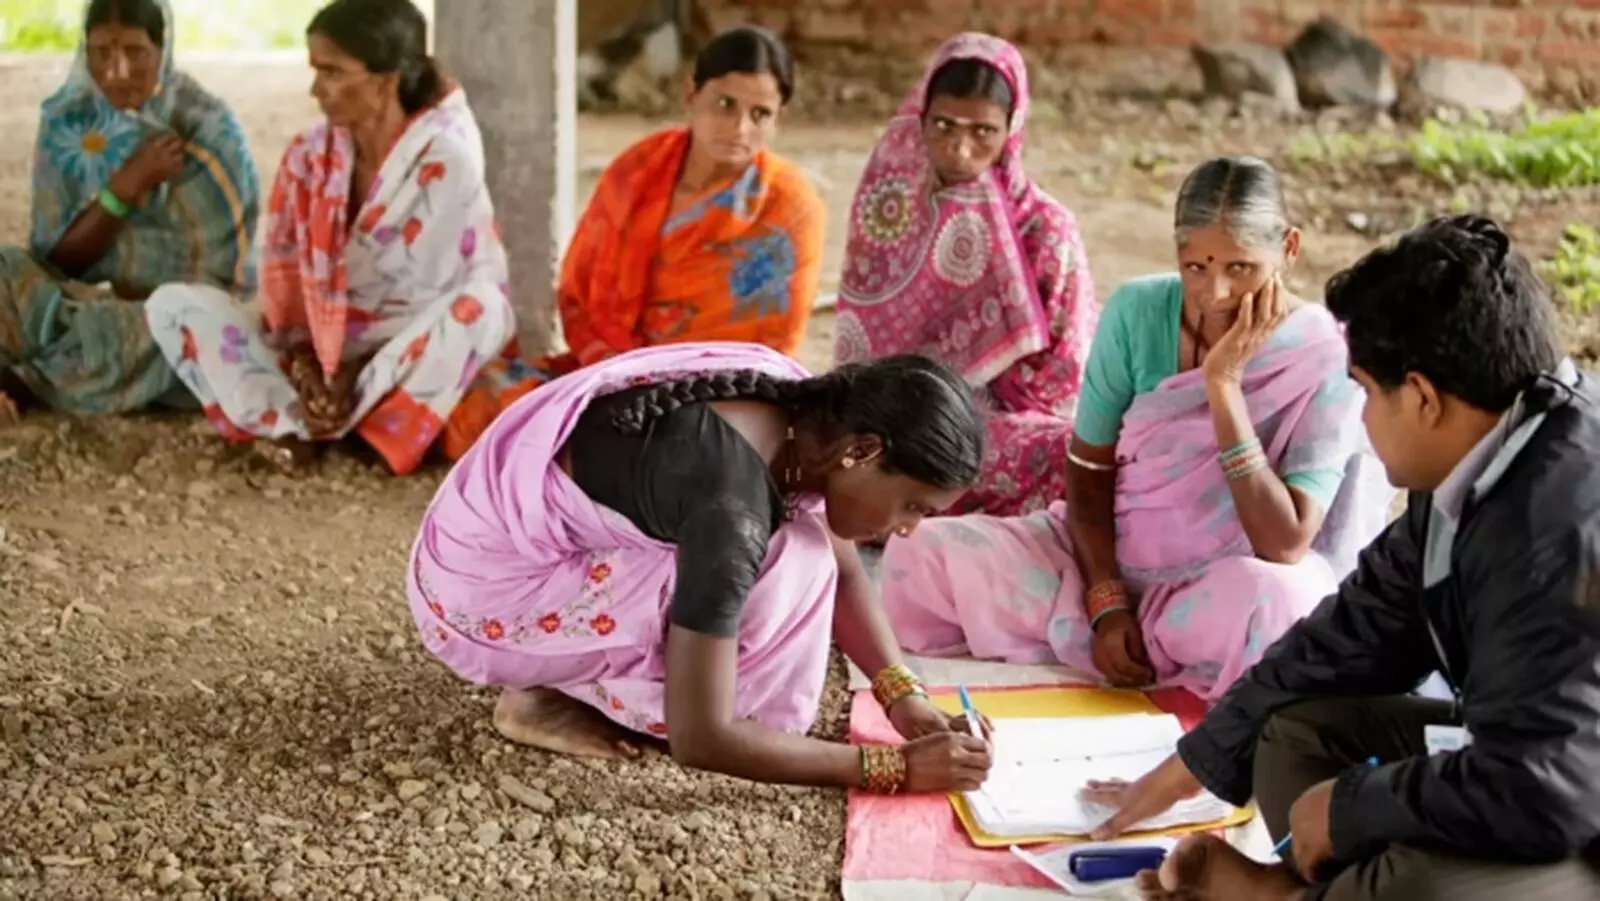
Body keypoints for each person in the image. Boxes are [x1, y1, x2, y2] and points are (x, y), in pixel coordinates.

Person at [1087, 215, 1600, 901]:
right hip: (1525, 759)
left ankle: (1293, 895)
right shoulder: (1483, 461)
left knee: (1423, 886)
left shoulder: (1556, 526)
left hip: (1572, 806)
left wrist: (1356, 804)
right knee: (1293, 736)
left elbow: (1549, 786)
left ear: (1421, 397)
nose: (1360, 420)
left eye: (1364, 391)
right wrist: (1193, 763)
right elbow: (1349, 633)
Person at [876, 157, 1394, 701]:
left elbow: (1284, 543)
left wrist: (1223, 386)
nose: (1215, 292)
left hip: (1220, 591)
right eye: (1195, 267)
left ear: (1288, 249)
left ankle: (1161, 647)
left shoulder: (1324, 356)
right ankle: (1118, 640)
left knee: (1289, 607)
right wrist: (1106, 602)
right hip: (1099, 570)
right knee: (921, 553)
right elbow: (1088, 469)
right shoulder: (1138, 311)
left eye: (1240, 268)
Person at [409, 341, 994, 794]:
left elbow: (844, 567)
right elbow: (703, 735)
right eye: (914, 506)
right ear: (863, 451)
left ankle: (576, 680)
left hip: (481, 540)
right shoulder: (730, 511)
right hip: (480, 599)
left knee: (804, 545)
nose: (909, 529)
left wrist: (904, 697)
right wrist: (891, 769)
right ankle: (555, 692)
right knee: (789, 566)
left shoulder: (804, 408)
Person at [145, 0, 512, 475]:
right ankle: (298, 426)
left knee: (480, 311)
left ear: (386, 79)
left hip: (397, 355)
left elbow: (426, 299)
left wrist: (350, 373)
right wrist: (307, 365)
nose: (315, 89)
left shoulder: (444, 159)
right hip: (314, 347)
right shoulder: (308, 154)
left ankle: (343, 431)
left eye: (332, 72)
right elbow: (284, 278)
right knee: (173, 306)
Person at [439, 26, 825, 461]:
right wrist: (616, 372)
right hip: (608, 369)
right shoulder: (637, 170)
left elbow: (769, 349)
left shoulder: (791, 208)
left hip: (716, 397)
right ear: (690, 94)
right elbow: (578, 293)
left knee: (702, 448)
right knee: (488, 394)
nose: (739, 127)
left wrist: (661, 388)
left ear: (779, 121)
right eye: (725, 104)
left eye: (760, 115)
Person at [833, 33, 1097, 517]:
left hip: (991, 426)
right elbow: (860, 346)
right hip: (889, 422)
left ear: (1011, 131)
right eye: (943, 125)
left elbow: (1063, 372)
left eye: (983, 132)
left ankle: (903, 507)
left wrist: (961, 415)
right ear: (920, 119)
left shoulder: (1044, 228)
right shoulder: (888, 209)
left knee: (1066, 454)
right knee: (822, 446)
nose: (960, 148)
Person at [0, 0, 258, 424]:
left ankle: (26, 382)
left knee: (195, 331)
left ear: (164, 49)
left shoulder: (205, 125)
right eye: (102, 52)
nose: (117, 72)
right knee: (7, 267)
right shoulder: (68, 121)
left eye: (136, 53)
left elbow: (220, 280)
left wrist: (139, 304)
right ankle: (67, 362)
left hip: (157, 321)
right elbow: (52, 261)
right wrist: (125, 187)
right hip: (73, 301)